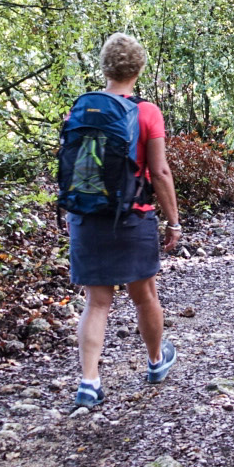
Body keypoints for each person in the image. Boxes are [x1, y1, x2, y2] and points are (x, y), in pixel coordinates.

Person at [68, 32, 181, 407]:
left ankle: (89, 382)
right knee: (144, 295)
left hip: (87, 217)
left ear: (105, 67)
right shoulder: (147, 113)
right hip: (133, 216)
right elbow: (159, 172)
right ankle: (155, 362)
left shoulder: (81, 109)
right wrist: (173, 221)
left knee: (96, 302)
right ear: (139, 69)